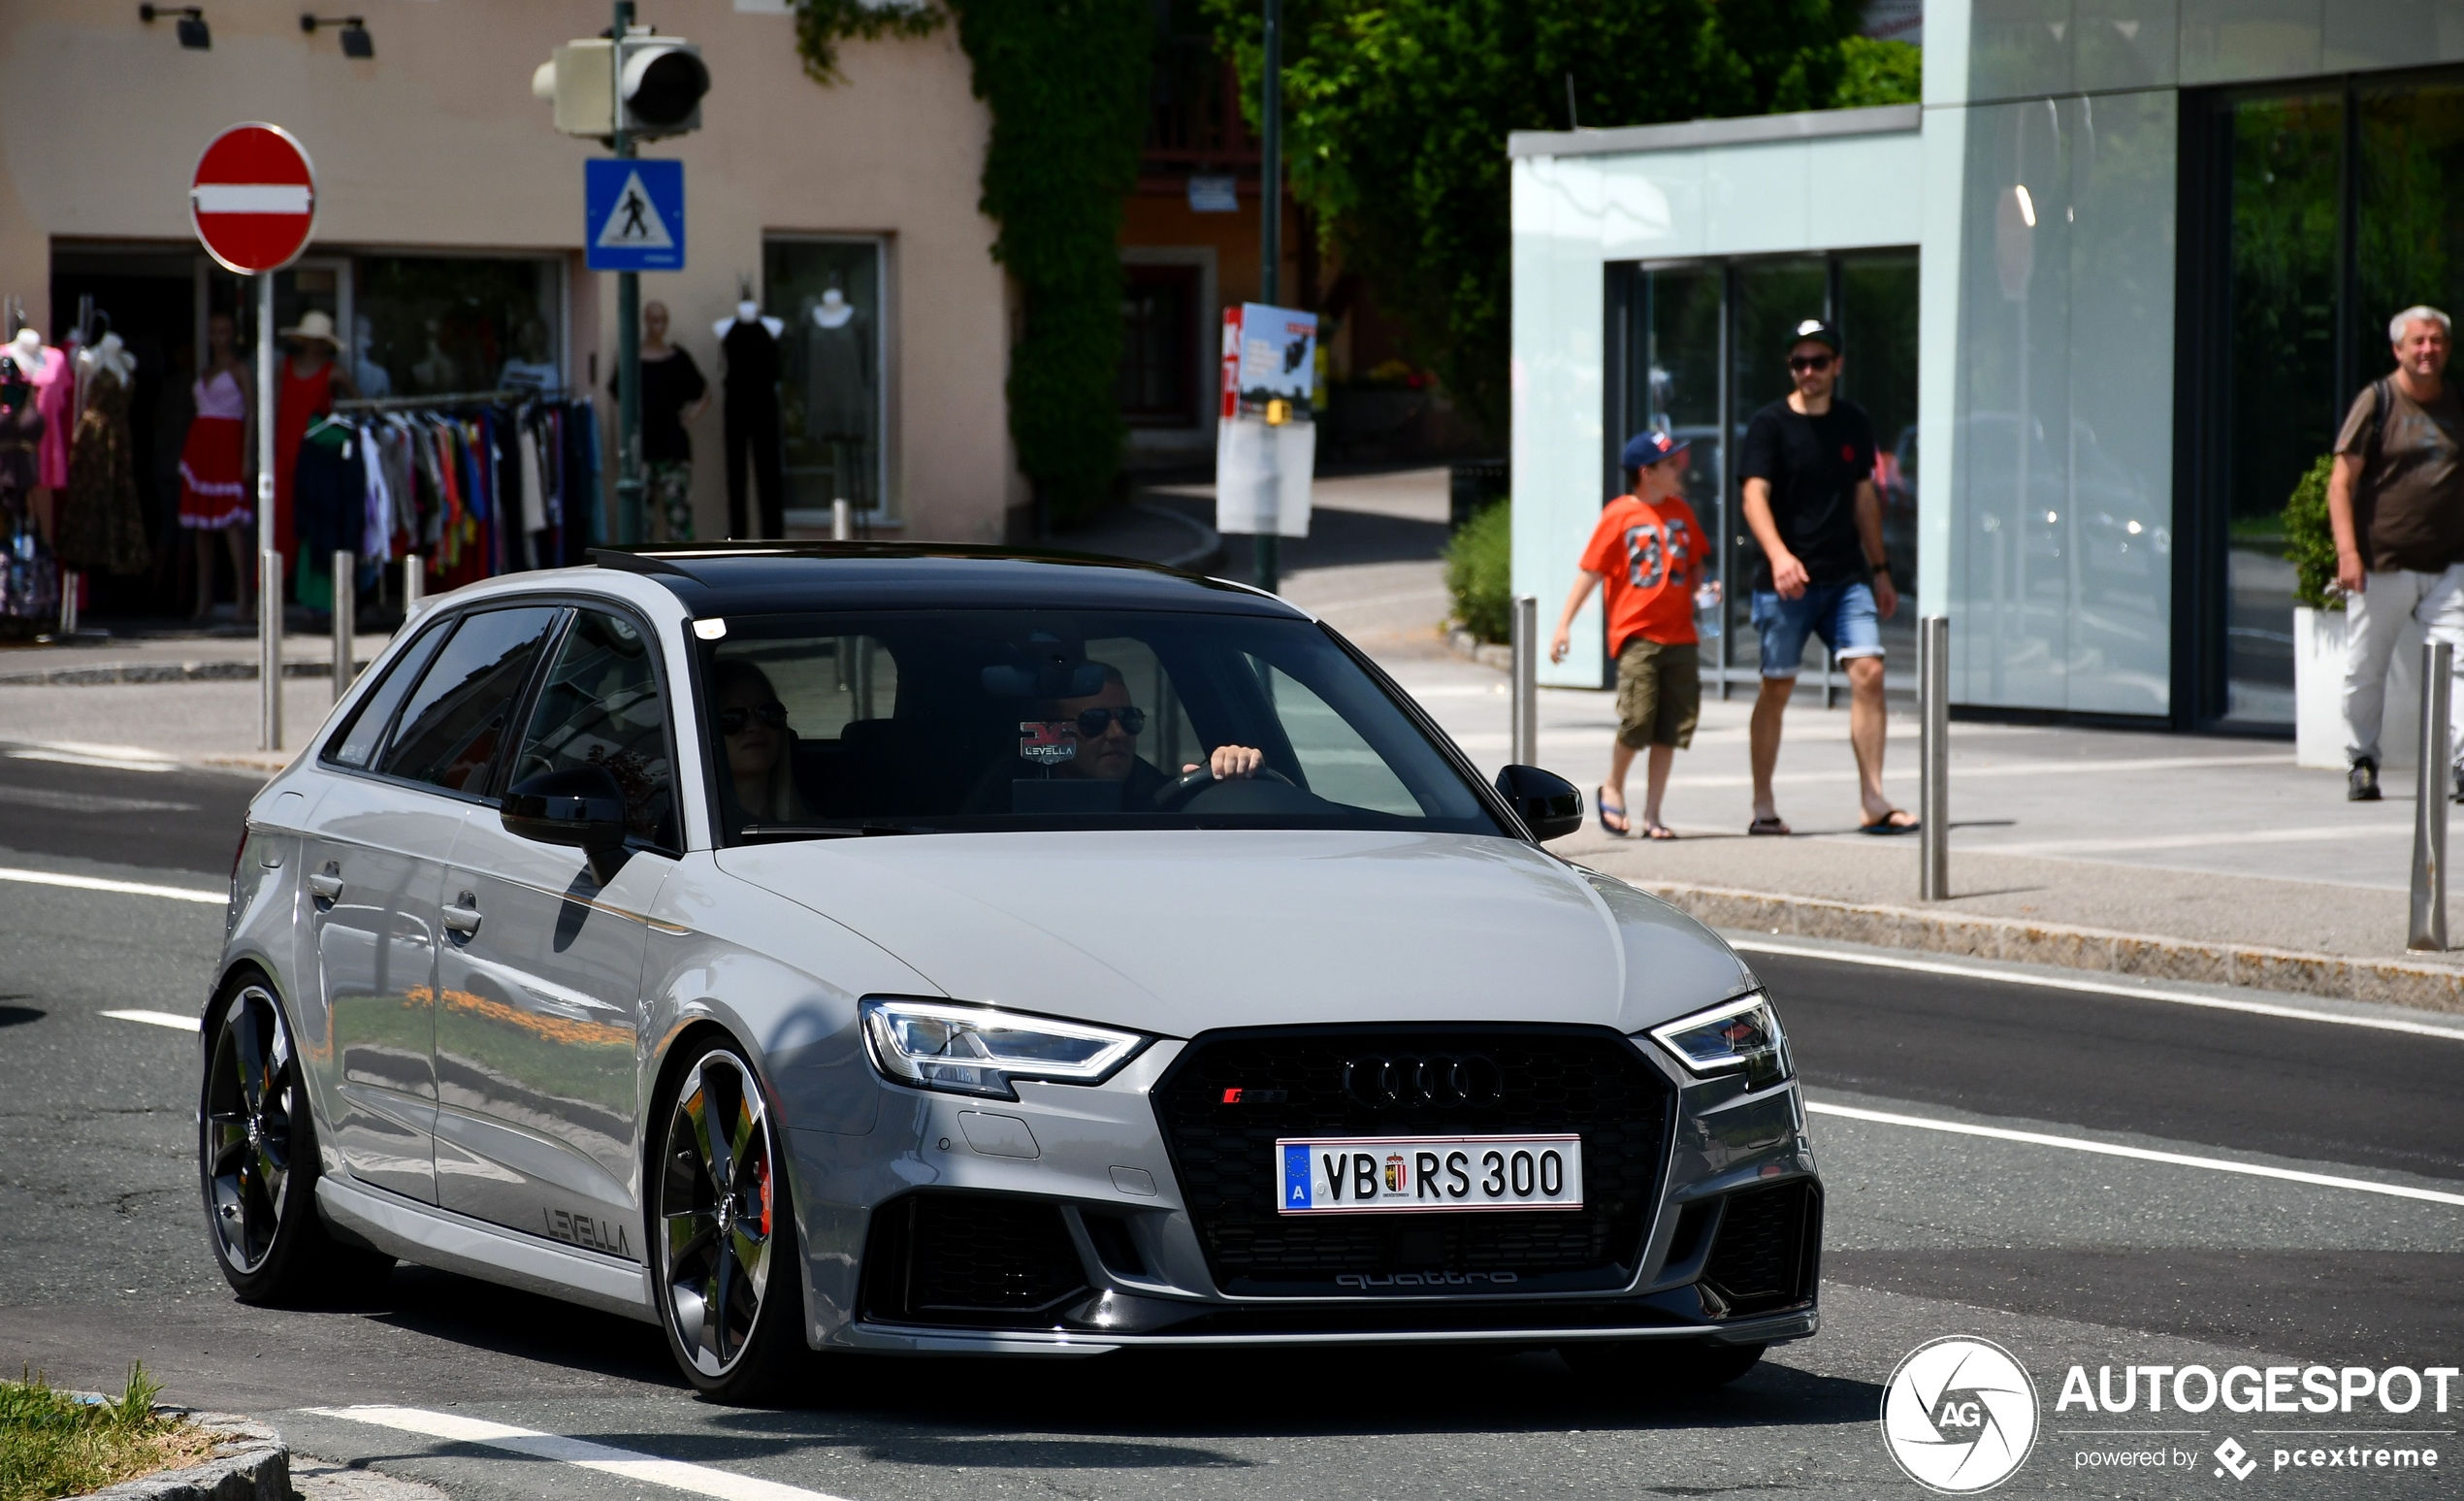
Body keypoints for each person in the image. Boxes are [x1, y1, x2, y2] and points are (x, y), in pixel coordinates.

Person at [1737, 317, 1911, 836]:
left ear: (1836, 366)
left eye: (1818, 361)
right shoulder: (1769, 425)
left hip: (1845, 578)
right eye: (1799, 362)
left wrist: (1880, 570)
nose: (1807, 370)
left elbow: (1865, 499)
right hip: (1785, 581)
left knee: (1870, 674)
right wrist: (1779, 556)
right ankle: (1764, 805)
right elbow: (1753, 497)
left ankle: (1874, 800)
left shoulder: (1853, 421)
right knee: (1778, 685)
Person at [2328, 305, 2464, 802]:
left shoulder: (2457, 404)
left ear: (2447, 348)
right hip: (2381, 562)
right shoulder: (2378, 400)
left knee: (2459, 662)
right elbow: (2341, 481)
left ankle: (2463, 762)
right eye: (2418, 342)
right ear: (2398, 350)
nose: (2427, 350)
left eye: (2436, 341)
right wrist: (2348, 553)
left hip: (2450, 565)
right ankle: (2361, 761)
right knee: (2366, 667)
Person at [1547, 431, 1705, 839]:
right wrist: (1564, 624)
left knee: (1673, 727)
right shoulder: (1619, 514)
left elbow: (1695, 565)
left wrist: (1704, 590)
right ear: (1646, 473)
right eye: (1670, 464)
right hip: (1638, 635)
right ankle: (1614, 783)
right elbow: (1591, 572)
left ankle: (1654, 814)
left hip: (1681, 636)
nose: (1679, 470)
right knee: (1637, 719)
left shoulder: (1681, 512)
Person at [1039, 665, 1262, 798]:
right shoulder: (1007, 806)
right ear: (1053, 733)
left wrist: (1233, 778)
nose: (1118, 733)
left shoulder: (1167, 798)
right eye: (1095, 720)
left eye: (1129, 718)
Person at [177, 310, 254, 623]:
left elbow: (252, 412)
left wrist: (248, 456)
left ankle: (244, 598)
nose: (219, 337)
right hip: (201, 445)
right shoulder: (206, 370)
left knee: (230, 524)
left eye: (224, 331)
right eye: (214, 331)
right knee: (201, 527)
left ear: (232, 335)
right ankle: (204, 598)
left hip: (228, 444)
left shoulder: (240, 370)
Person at [609, 301, 707, 541]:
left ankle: (682, 567)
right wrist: (619, 442)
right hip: (641, 449)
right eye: (654, 320)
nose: (658, 326)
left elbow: (704, 392)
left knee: (680, 518)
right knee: (639, 523)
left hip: (674, 448)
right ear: (645, 321)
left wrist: (693, 414)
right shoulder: (631, 359)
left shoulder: (678, 358)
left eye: (663, 319)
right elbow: (616, 399)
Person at [711, 660, 809, 834]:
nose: (755, 726)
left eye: (768, 712)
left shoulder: (822, 830)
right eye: (732, 717)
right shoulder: (693, 835)